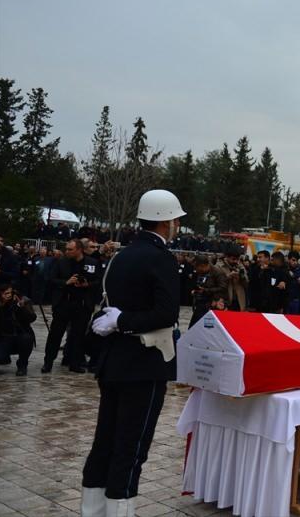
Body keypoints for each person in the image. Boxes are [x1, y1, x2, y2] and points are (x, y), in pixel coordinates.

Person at [81, 189, 185, 517]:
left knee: (105, 443)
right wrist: (124, 321)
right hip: (145, 363)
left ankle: (92, 511)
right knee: (131, 448)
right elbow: (167, 314)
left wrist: (117, 321)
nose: (178, 225)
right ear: (166, 221)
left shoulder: (120, 256)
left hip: (113, 363)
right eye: (176, 219)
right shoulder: (161, 258)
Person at [42, 238, 100, 373]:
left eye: (70, 249)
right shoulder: (61, 262)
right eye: (66, 249)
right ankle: (48, 362)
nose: (67, 252)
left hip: (82, 305)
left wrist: (87, 284)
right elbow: (51, 279)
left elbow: (98, 281)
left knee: (78, 335)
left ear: (79, 250)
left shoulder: (92, 263)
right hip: (63, 303)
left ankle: (75, 363)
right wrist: (65, 282)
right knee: (55, 334)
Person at [0, 283, 37, 375]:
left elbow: (32, 318)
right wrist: (0, 306)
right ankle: (0, 361)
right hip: (2, 337)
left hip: (20, 335)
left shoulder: (22, 300)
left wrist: (21, 307)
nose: (8, 295)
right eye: (5, 293)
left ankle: (22, 365)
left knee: (27, 339)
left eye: (9, 293)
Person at [189, 255, 228, 328]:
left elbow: (223, 288)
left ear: (203, 265)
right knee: (193, 329)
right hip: (200, 305)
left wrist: (206, 290)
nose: (195, 270)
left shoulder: (218, 272)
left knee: (207, 329)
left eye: (196, 267)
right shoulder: (201, 272)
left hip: (211, 306)